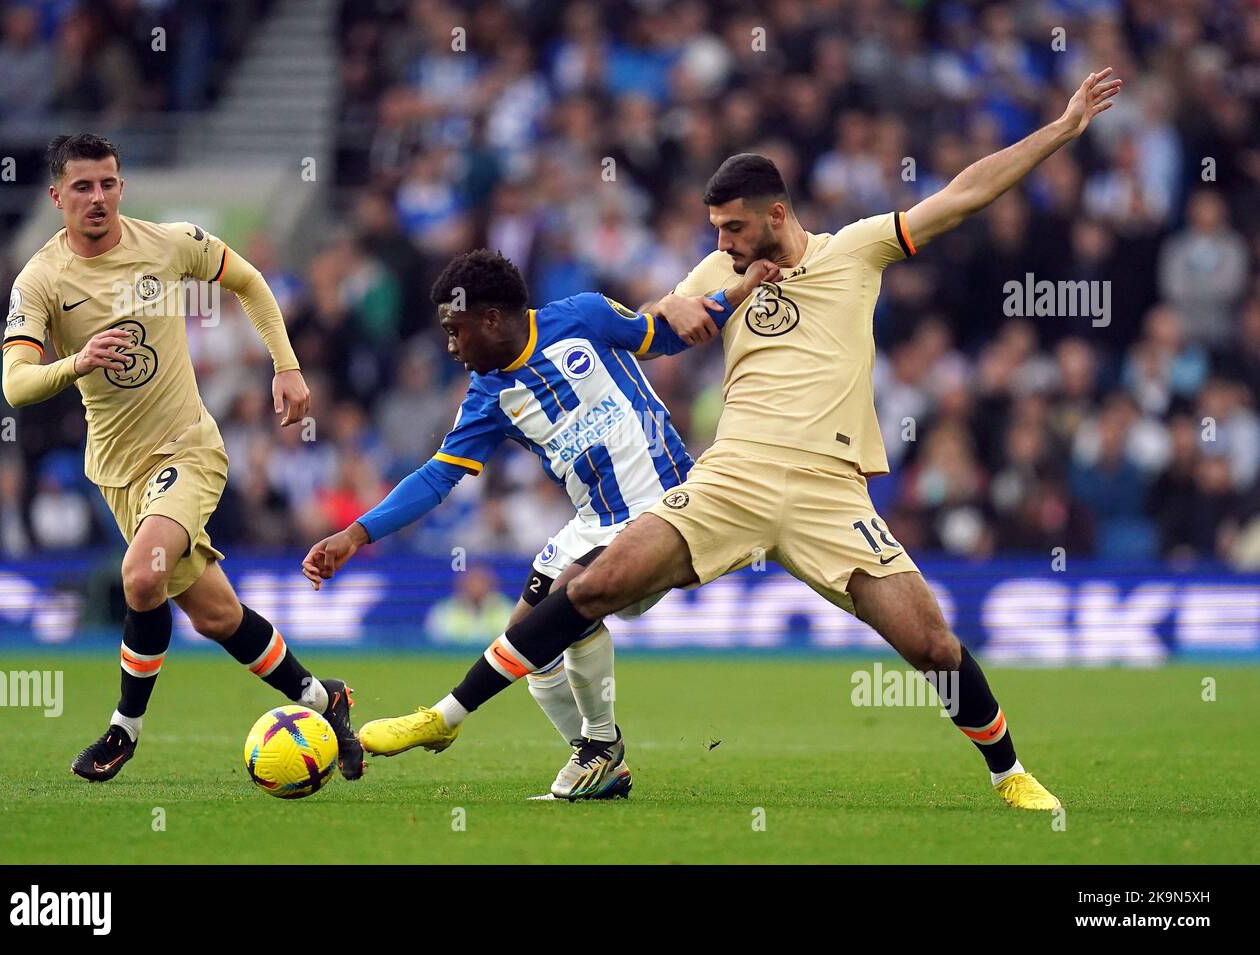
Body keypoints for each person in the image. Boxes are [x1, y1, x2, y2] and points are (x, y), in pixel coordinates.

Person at [358, 69, 1124, 811]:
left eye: (732, 227)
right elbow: (661, 317)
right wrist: (700, 303)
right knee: (590, 585)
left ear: (777, 216)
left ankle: (1010, 772)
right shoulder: (719, 270)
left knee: (929, 645)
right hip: (733, 477)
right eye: (713, 229)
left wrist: (1061, 129)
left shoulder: (854, 251)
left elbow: (963, 195)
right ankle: (445, 718)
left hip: (829, 488)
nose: (720, 241)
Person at [302, 248, 773, 799]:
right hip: (593, 522)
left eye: (456, 332)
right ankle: (602, 760)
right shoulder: (487, 397)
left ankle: (458, 717)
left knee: (570, 604)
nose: (451, 348)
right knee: (531, 642)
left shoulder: (583, 317)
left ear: (492, 319)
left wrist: (734, 293)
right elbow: (435, 478)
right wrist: (355, 534)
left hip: (665, 506)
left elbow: (665, 336)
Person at [2, 133, 364, 782]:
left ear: (122, 187)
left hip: (188, 450)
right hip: (118, 472)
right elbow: (14, 382)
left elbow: (249, 280)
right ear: (56, 197)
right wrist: (76, 362)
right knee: (217, 614)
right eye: (82, 186)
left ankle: (123, 730)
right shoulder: (42, 281)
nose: (98, 197)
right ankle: (322, 698)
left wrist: (285, 366)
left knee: (141, 575)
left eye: (108, 182)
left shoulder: (168, 244)